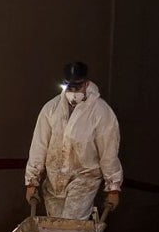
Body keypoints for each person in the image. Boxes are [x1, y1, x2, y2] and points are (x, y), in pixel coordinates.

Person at [24, 61, 122, 219]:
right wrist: (31, 181)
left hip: (84, 178)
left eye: (78, 86)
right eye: (70, 87)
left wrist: (113, 187)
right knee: (55, 228)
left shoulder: (101, 113)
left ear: (86, 83)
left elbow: (108, 152)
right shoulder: (51, 109)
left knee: (71, 226)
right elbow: (39, 145)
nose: (74, 91)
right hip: (54, 180)